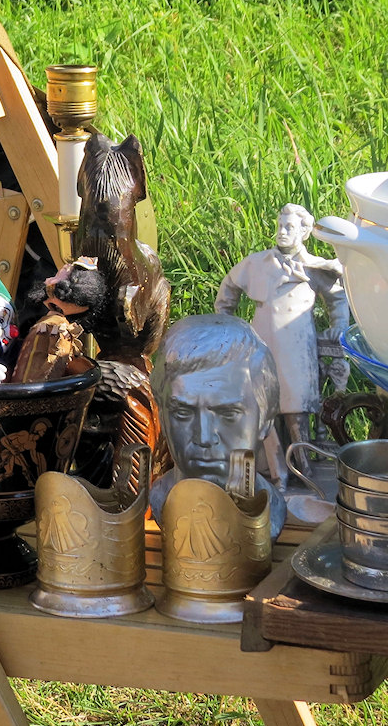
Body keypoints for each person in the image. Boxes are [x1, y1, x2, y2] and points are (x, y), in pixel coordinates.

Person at [214, 203, 350, 487]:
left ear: (304, 232)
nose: (282, 232)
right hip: (263, 342)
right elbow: (229, 288)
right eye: (280, 226)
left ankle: (304, 466)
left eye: (289, 227)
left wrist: (338, 323)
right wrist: (227, 323)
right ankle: (276, 472)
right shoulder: (257, 263)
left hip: (297, 345)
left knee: (296, 407)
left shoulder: (315, 267)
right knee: (265, 406)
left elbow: (336, 297)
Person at [148, 314, 287, 537]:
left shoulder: (271, 512)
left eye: (228, 414)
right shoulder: (159, 499)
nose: (204, 437)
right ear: (162, 416)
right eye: (183, 412)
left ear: (266, 419)